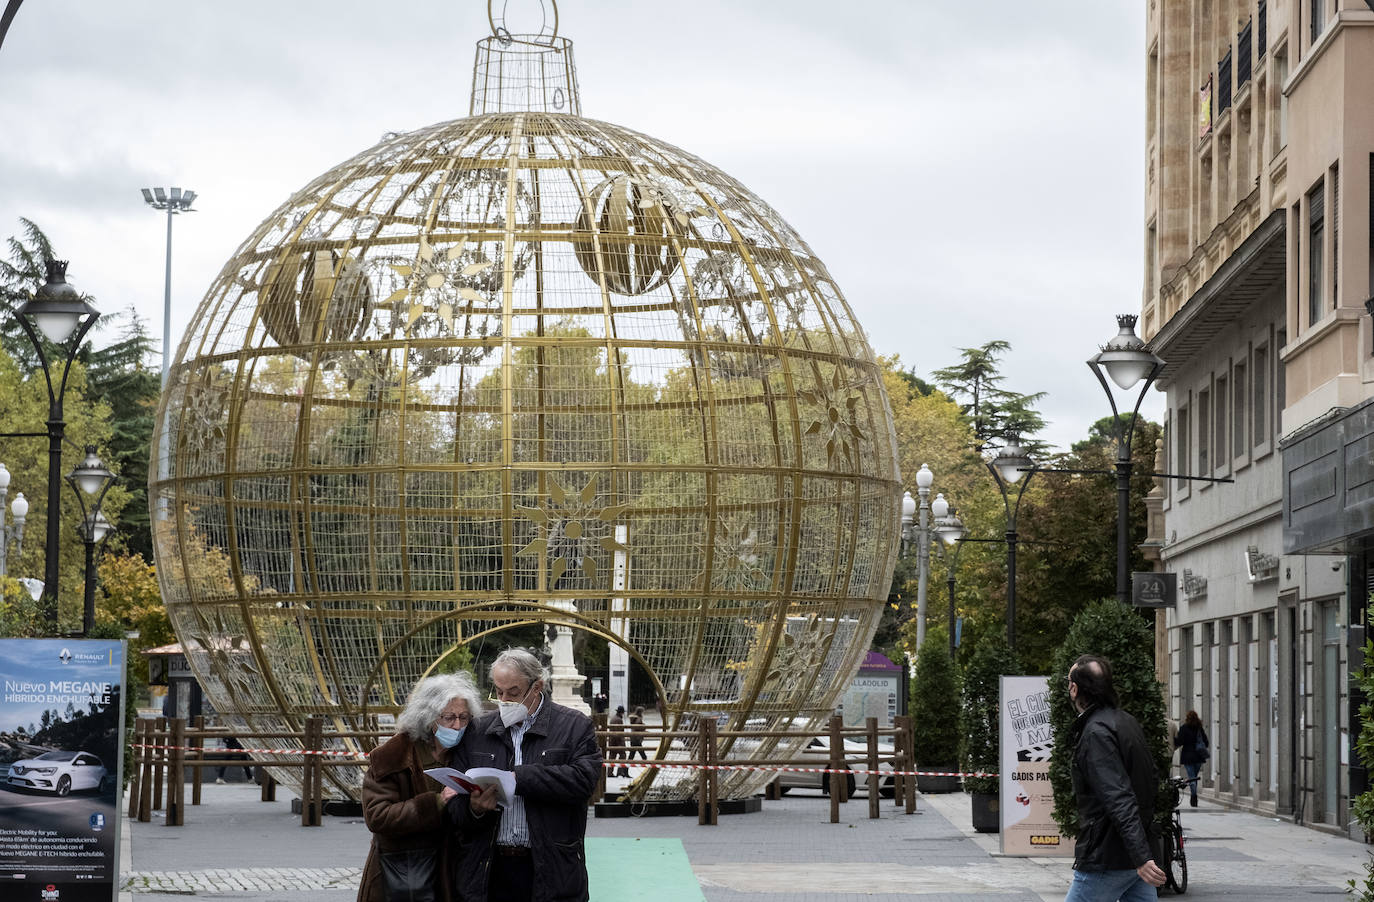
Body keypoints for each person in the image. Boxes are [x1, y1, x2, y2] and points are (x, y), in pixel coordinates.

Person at [445, 648, 602, 902]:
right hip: (489, 868)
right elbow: (454, 807)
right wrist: (474, 809)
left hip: (551, 868)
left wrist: (520, 779)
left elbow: (584, 781)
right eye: (498, 691)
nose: (504, 699)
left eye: (513, 693)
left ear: (537, 686)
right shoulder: (477, 731)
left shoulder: (574, 726)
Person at [357, 672, 483, 902]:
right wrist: (436, 802)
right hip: (401, 870)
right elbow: (377, 816)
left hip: (451, 870)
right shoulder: (392, 756)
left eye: (464, 717)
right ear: (429, 717)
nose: (457, 725)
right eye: (449, 717)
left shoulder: (469, 753)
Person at [1064, 654, 1166, 902]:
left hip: (1109, 857)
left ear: (1075, 689)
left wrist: (1141, 857)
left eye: (1068, 683)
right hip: (1133, 854)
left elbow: (1119, 798)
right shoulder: (1126, 722)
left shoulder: (1096, 733)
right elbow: (1151, 782)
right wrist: (1143, 853)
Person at [1173, 710, 1209, 807]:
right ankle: (1194, 799)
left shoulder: (1184, 728)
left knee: (1192, 777)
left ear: (1187, 718)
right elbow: (1206, 742)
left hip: (1188, 756)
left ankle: (1194, 797)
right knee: (1194, 777)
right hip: (1198, 756)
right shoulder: (1199, 728)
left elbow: (1179, 742)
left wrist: (1173, 739)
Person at [608, 705, 629, 778]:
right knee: (623, 756)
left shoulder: (613, 718)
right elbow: (618, 733)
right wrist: (621, 743)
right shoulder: (619, 720)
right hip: (617, 742)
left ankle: (610, 772)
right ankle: (620, 772)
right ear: (621, 713)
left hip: (612, 741)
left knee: (612, 757)